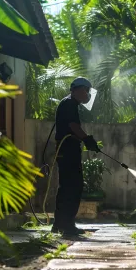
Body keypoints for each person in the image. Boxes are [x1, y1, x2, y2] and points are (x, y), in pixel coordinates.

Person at [52, 77, 100, 235]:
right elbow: (73, 126)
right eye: (86, 91)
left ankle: (60, 224)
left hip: (67, 150)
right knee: (73, 186)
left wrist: (85, 140)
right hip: (68, 150)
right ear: (79, 89)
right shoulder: (69, 104)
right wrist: (86, 139)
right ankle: (66, 225)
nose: (87, 95)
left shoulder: (69, 103)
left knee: (66, 187)